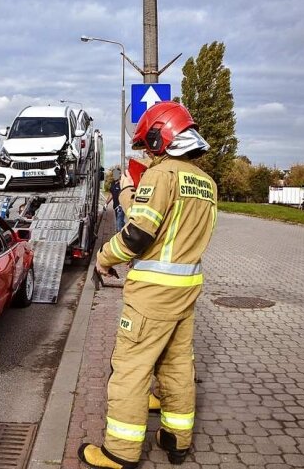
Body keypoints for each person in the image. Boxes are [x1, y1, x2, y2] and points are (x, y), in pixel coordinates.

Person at [78, 101, 216, 468]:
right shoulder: (205, 183)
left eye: (149, 143)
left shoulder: (161, 175)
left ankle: (119, 452)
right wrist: (126, 192)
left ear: (161, 136)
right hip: (186, 293)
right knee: (177, 366)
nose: (148, 151)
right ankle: (176, 438)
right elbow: (163, 218)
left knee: (130, 370)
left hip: (152, 296)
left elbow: (139, 235)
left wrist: (104, 256)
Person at [106, 167, 126, 232]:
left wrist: (121, 204)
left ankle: (120, 238)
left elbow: (126, 195)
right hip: (115, 207)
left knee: (118, 225)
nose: (114, 176)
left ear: (120, 175)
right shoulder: (113, 183)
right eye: (114, 174)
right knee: (121, 223)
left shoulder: (122, 184)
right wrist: (106, 203)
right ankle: (125, 232)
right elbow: (111, 194)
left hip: (121, 208)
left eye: (116, 174)